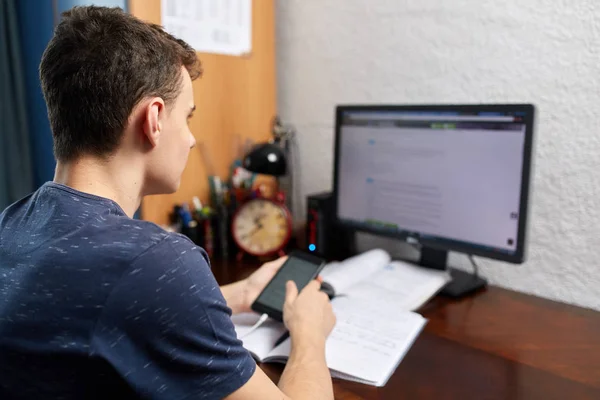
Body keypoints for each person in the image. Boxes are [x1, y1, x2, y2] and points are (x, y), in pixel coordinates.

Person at [0, 6, 335, 400]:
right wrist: (310, 333)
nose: (191, 139)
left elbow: (97, 313)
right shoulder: (156, 260)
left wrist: (241, 293)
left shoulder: (15, 222)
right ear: (154, 119)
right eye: (188, 117)